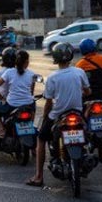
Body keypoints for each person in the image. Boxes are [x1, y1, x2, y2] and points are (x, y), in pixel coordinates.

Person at [26, 42, 90, 187]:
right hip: (77, 113)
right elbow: (88, 92)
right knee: (88, 130)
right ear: (70, 55)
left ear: (55, 58)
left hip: (58, 114)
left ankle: (38, 176)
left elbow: (49, 102)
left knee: (41, 139)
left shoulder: (52, 78)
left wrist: (45, 116)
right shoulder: (79, 72)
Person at [0, 50, 36, 161]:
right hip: (28, 104)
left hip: (11, 105)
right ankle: (33, 148)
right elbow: (31, 92)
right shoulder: (32, 74)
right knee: (31, 117)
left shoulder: (7, 73)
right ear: (26, 62)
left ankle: (0, 131)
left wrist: (2, 99)